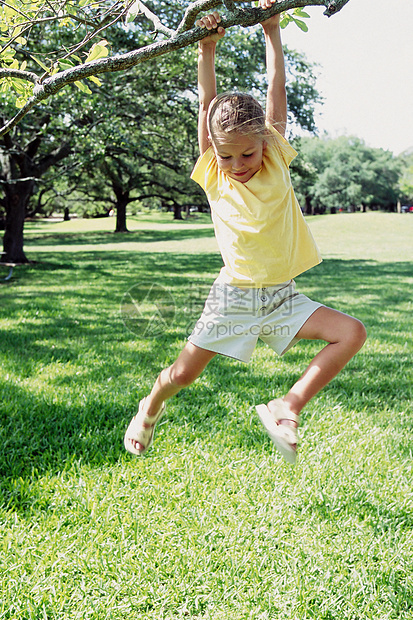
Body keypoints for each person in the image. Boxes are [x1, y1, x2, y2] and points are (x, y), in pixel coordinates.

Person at [124, 1, 367, 464]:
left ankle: (287, 406)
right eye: (227, 156)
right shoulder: (214, 172)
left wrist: (271, 30)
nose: (237, 166)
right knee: (182, 375)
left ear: (265, 145)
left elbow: (277, 93)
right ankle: (148, 408)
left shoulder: (275, 158)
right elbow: (205, 103)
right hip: (234, 298)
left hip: (281, 296)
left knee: (352, 333)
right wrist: (206, 50)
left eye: (247, 155)